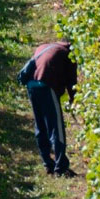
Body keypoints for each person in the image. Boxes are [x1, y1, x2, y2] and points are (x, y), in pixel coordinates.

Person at [22, 40, 77, 175]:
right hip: (47, 86)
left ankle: (47, 163)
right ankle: (61, 167)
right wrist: (74, 101)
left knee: (40, 125)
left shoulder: (43, 47)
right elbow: (72, 83)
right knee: (56, 127)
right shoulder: (68, 54)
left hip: (31, 86)